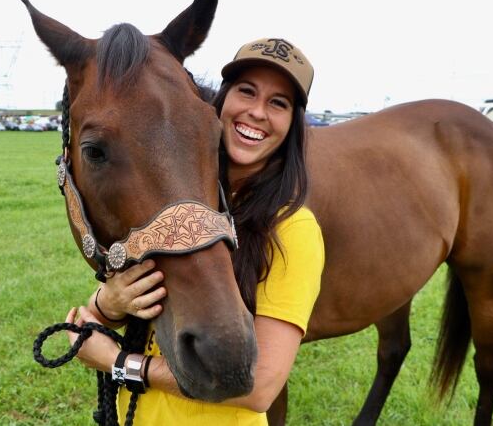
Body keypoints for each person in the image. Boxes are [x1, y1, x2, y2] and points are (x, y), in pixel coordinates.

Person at [65, 37, 324, 425]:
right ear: (220, 99)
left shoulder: (293, 229)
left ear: (292, 125)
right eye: (246, 91)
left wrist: (118, 363)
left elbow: (259, 387)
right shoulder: (181, 199)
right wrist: (108, 302)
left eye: (278, 103)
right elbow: (135, 299)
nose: (256, 112)